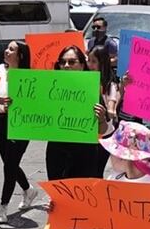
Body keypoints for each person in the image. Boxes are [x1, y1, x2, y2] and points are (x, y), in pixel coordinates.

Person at [0, 40, 38, 224]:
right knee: (8, 162)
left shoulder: (29, 76)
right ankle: (28, 190)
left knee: (9, 165)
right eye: (7, 48)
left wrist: (19, 106)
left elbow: (36, 102)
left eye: (12, 49)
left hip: (21, 124)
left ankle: (3, 206)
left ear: (20, 56)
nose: (6, 51)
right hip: (1, 120)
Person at [46, 46, 110, 182]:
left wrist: (101, 118)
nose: (66, 66)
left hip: (84, 154)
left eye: (71, 62)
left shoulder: (91, 90)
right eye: (62, 62)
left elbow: (103, 130)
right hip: (57, 153)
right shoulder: (48, 89)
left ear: (82, 65)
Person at [88, 44, 121, 175]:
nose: (90, 64)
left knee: (97, 170)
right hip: (87, 132)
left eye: (94, 61)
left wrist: (109, 111)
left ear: (102, 63)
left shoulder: (110, 85)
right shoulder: (82, 81)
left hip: (105, 134)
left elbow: (112, 109)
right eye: (88, 60)